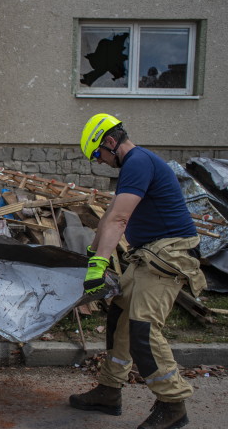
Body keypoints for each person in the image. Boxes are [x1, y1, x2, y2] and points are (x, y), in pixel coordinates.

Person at [68, 114, 206, 429]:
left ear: (110, 142)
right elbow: (112, 215)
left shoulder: (139, 162)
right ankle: (109, 391)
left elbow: (119, 221)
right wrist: (92, 252)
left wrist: (100, 265)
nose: (99, 162)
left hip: (167, 256)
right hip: (150, 254)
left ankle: (172, 405)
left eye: (97, 155)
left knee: (143, 329)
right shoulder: (135, 165)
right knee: (120, 317)